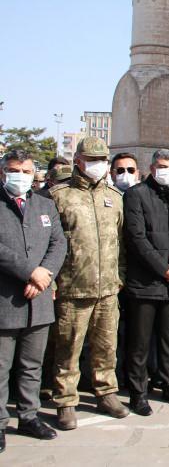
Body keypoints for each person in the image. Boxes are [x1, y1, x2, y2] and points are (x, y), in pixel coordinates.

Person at [50, 138, 130, 430]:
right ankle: (65, 401)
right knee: (68, 348)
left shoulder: (114, 196)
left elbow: (121, 242)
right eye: (92, 158)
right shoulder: (60, 195)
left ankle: (106, 393)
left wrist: (119, 275)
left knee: (106, 346)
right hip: (73, 288)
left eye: (102, 159)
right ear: (78, 160)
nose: (98, 164)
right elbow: (52, 243)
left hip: (108, 288)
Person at [0, 150, 66, 452]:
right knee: (1, 367)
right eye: (15, 170)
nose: (21, 176)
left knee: (31, 366)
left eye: (27, 171)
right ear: (3, 172)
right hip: (7, 298)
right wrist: (30, 272)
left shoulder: (44, 204)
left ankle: (28, 416)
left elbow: (58, 243)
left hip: (38, 299)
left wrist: (46, 275)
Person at [122, 149, 169, 416]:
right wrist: (163, 269)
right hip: (146, 281)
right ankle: (139, 392)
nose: (167, 171)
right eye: (162, 166)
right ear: (152, 167)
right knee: (139, 342)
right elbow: (137, 238)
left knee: (168, 338)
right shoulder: (137, 195)